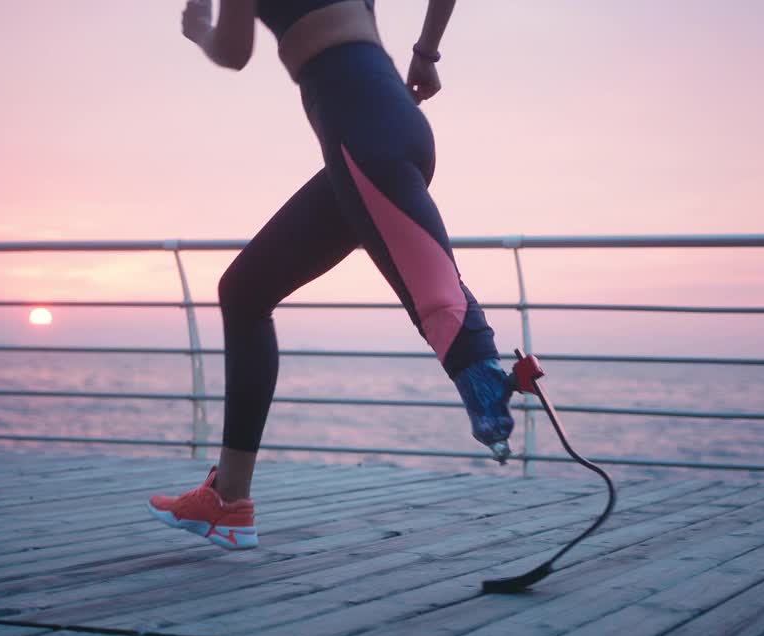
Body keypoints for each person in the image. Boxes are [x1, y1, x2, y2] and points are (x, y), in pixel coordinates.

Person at [149, 0, 514, 550]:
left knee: (445, 311)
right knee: (245, 291)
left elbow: (234, 51)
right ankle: (228, 501)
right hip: (389, 118)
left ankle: (491, 384)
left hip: (360, 129)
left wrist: (199, 27)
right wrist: (426, 54)